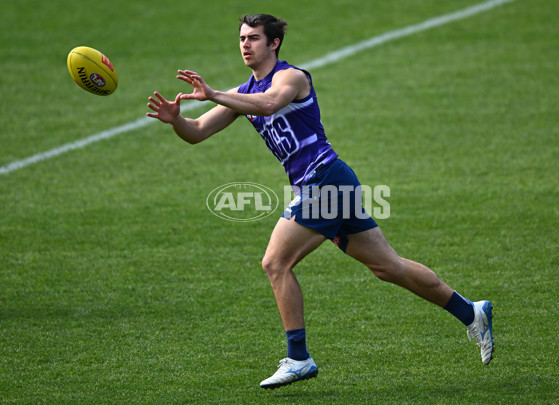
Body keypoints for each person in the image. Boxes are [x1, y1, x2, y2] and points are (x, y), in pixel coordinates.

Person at [146, 14, 494, 389]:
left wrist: (213, 93)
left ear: (273, 43)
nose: (245, 44)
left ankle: (298, 357)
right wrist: (175, 120)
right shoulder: (241, 92)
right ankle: (472, 312)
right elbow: (197, 132)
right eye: (242, 38)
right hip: (325, 184)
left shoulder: (291, 77)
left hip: (323, 180)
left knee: (275, 262)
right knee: (388, 267)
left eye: (254, 38)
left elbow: (268, 104)